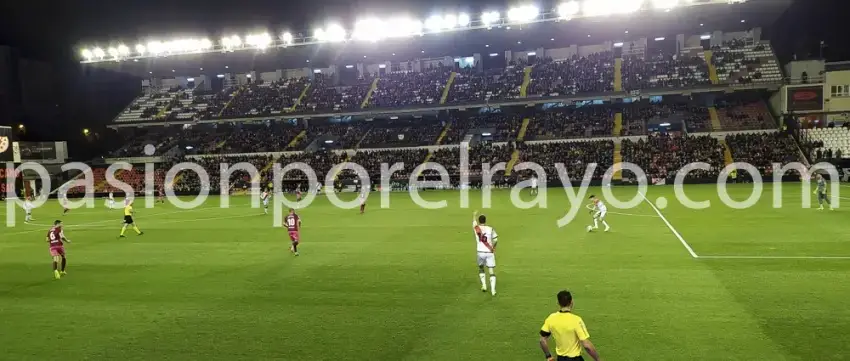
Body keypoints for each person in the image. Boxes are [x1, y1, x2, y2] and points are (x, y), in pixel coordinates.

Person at [539, 290, 602, 361]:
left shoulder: (551, 318)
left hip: (560, 359)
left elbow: (542, 340)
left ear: (558, 303)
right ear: (571, 302)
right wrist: (598, 359)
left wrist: (548, 356)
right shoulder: (576, 320)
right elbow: (586, 345)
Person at [472, 210, 498, 296]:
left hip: (480, 252)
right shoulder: (490, 229)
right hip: (489, 251)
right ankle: (493, 290)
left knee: (481, 268)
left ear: (479, 221)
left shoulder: (476, 229)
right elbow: (496, 239)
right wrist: (493, 247)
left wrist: (474, 215)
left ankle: (484, 285)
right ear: (485, 220)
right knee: (491, 271)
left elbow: (474, 223)